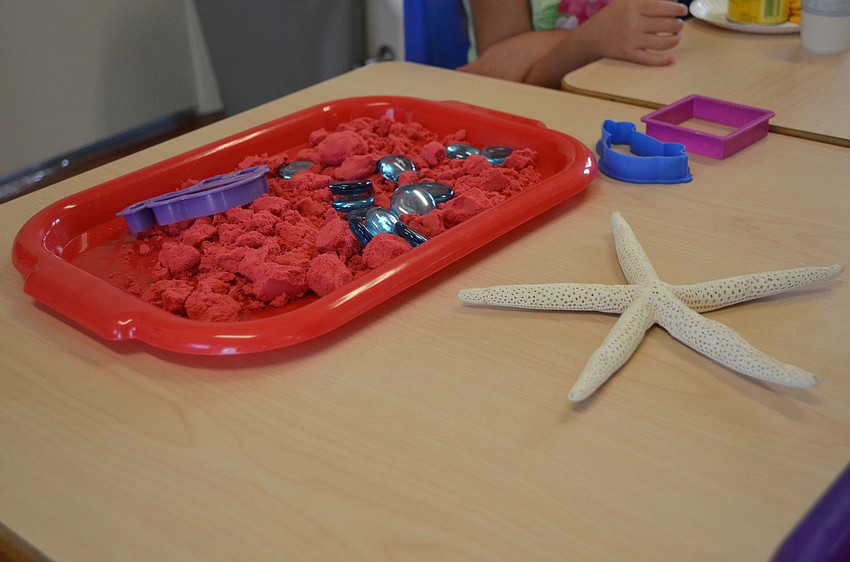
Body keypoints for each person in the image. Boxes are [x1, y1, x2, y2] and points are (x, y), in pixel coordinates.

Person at [458, 0, 690, 88]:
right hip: (535, 114)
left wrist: (536, 47)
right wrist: (590, 40)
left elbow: (661, 40)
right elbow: (499, 79)